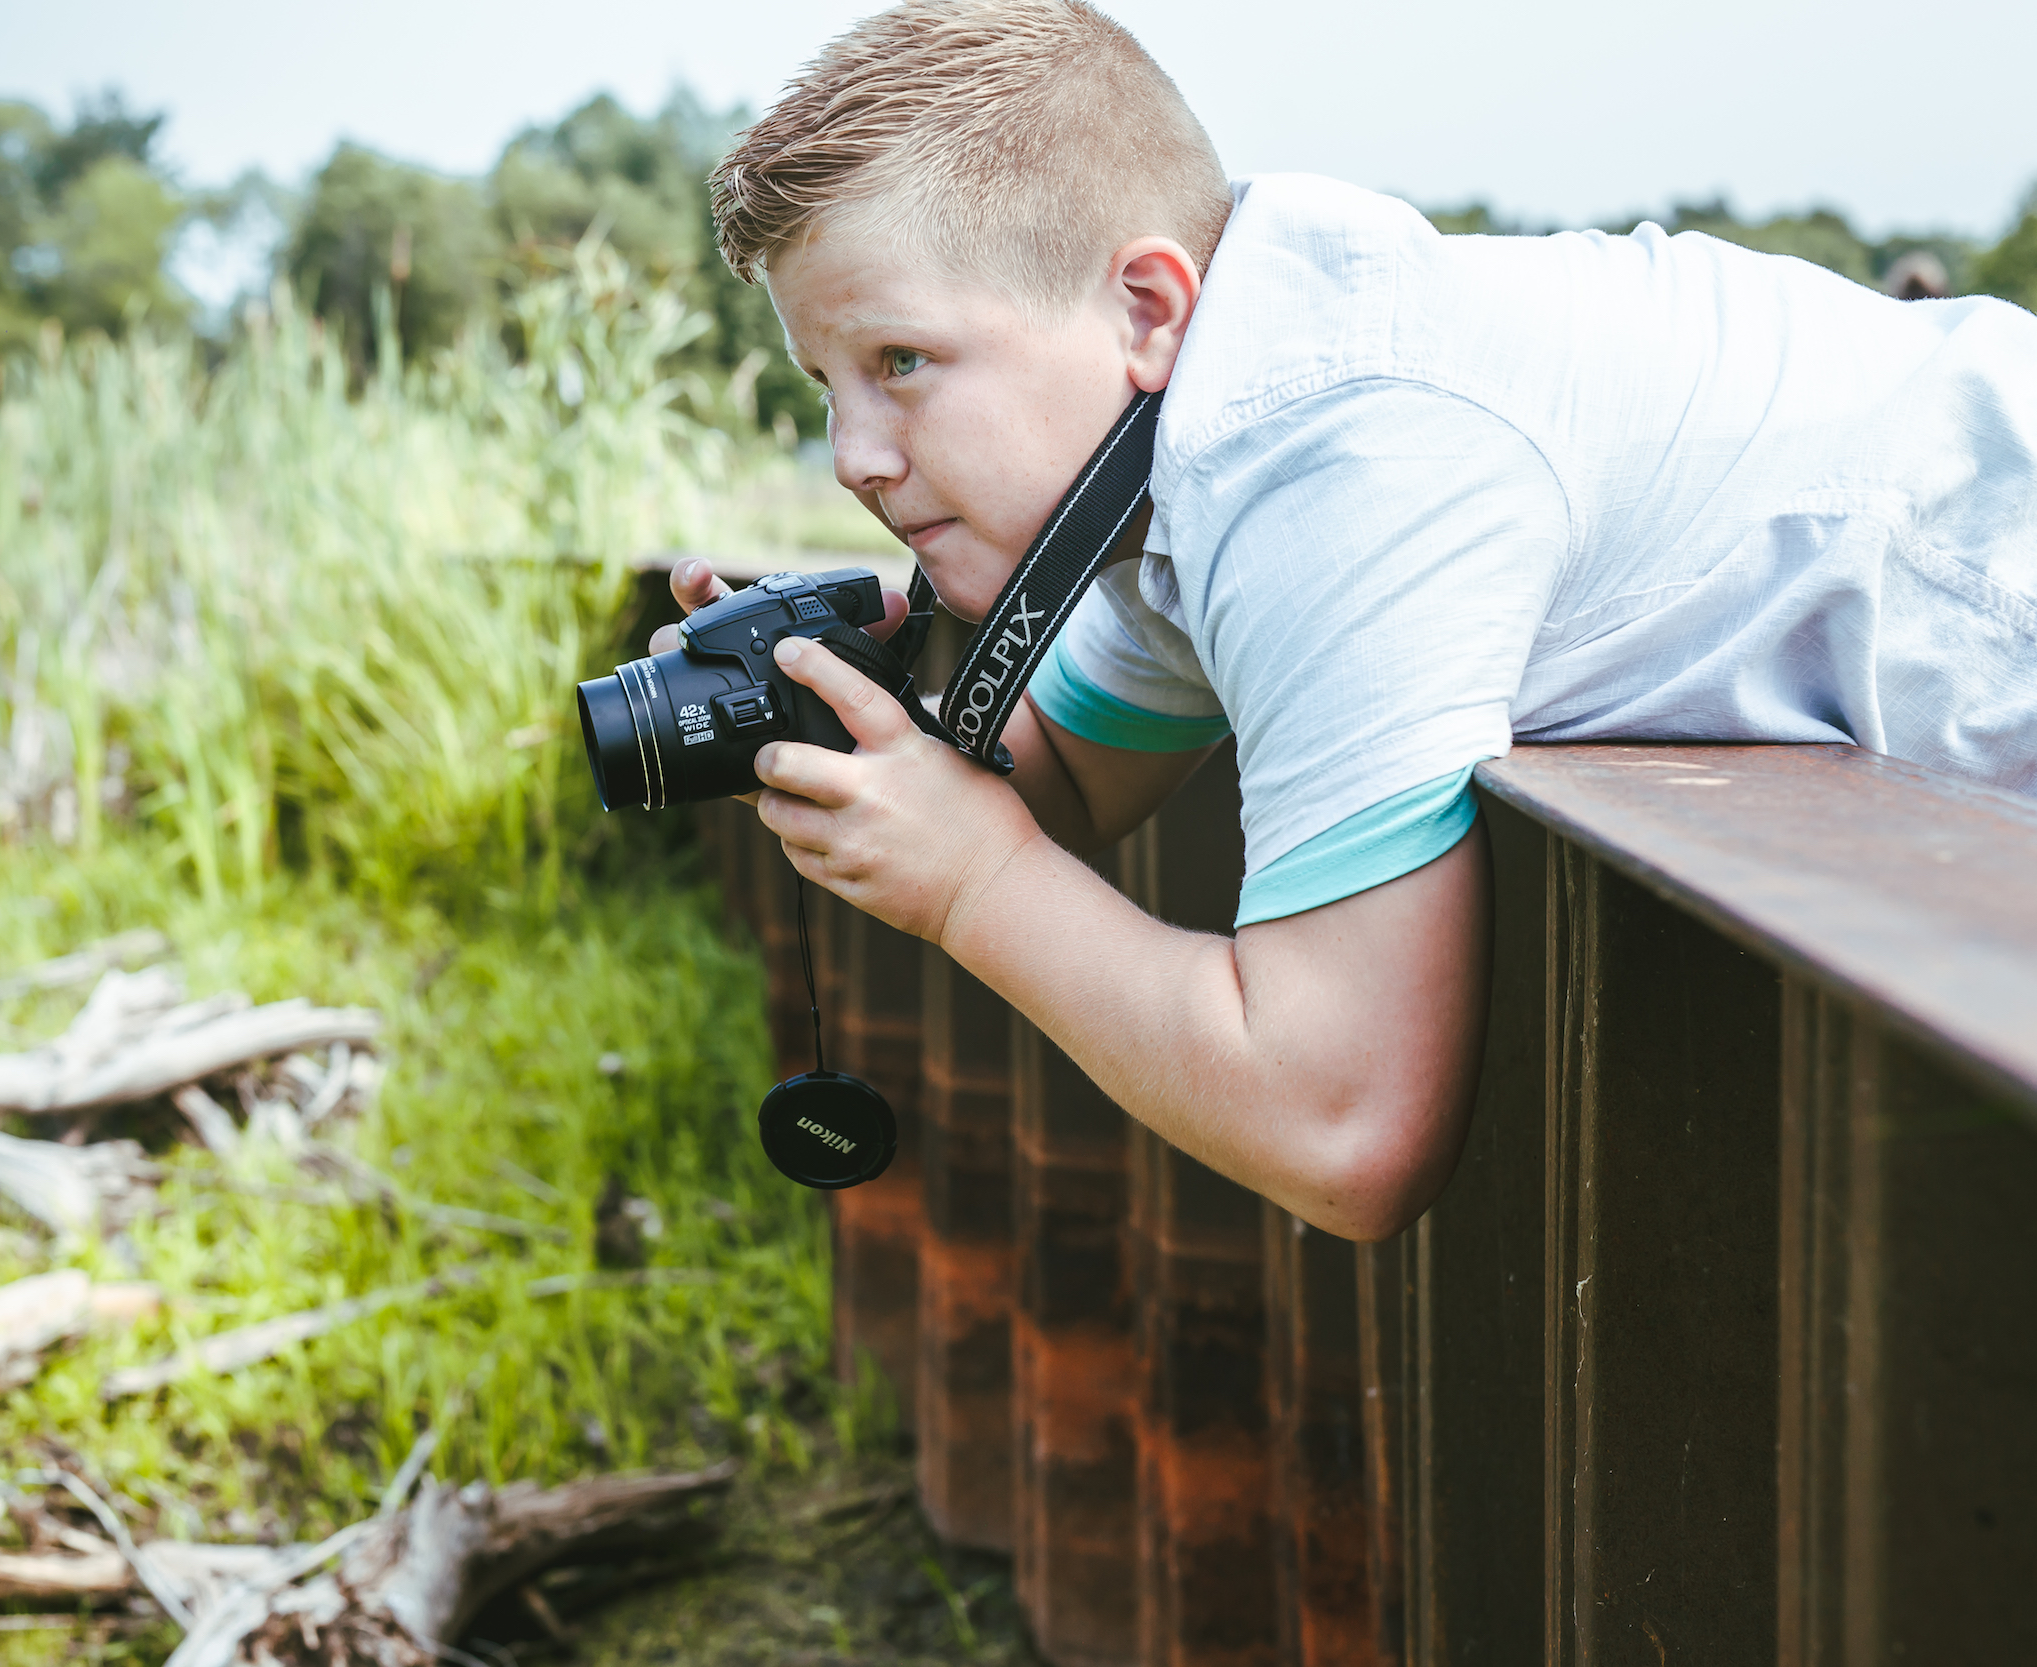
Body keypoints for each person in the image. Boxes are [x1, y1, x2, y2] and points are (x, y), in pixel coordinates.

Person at [657, 0, 2037, 1239]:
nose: (853, 455)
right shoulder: (1189, 438)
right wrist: (819, 710)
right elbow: (1065, 783)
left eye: (902, 362)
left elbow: (1346, 1126)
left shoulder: (1328, 460)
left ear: (1144, 304)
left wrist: (975, 885)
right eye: (828, 384)